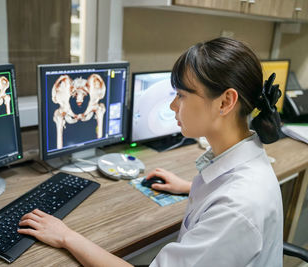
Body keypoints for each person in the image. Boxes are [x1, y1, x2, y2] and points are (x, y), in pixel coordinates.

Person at [18, 37, 283, 267]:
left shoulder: (237, 207)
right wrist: (190, 187)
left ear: (225, 102)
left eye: (181, 95)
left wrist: (67, 236)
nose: (171, 105)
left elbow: (230, 206)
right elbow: (226, 193)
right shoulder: (247, 163)